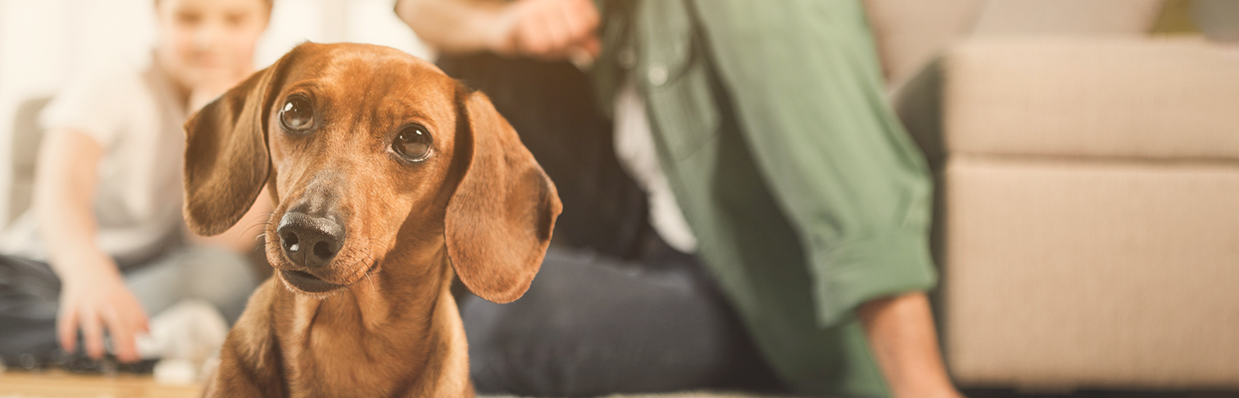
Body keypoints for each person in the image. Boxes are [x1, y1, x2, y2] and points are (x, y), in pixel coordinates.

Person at [398, 0, 963, 397]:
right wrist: (507, 27)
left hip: (756, 291)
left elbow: (850, 177)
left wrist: (919, 386)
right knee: (479, 67)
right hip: (658, 223)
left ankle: (762, 355)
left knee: (502, 325)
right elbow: (418, 6)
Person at [0, 0, 273, 364]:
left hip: (149, 279)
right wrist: (88, 274)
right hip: (51, 267)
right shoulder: (116, 79)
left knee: (225, 276)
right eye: (188, 17)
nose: (209, 38)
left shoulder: (267, 112)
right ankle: (135, 339)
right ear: (158, 14)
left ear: (263, 22)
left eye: (235, 20)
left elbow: (216, 242)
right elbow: (60, 187)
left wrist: (217, 125)